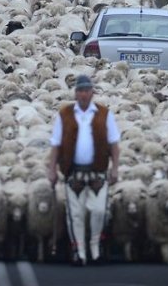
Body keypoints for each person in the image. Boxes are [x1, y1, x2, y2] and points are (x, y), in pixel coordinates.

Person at [46, 74, 120, 266]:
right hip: (73, 173)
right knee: (76, 214)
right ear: (76, 93)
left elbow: (114, 144)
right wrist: (52, 169)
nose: (84, 94)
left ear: (92, 92)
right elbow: (56, 144)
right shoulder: (65, 115)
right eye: (80, 91)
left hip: (98, 172)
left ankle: (95, 246)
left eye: (87, 91)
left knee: (98, 211)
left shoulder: (104, 114)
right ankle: (79, 250)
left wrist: (115, 168)